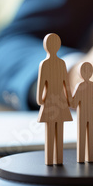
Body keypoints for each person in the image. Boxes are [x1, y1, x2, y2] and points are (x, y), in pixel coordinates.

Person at [37, 33, 72, 165]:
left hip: (55, 99)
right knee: (55, 128)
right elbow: (65, 85)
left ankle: (56, 158)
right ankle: (53, 157)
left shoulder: (58, 63)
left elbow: (65, 83)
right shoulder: (48, 64)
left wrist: (40, 99)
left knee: (56, 128)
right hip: (56, 99)